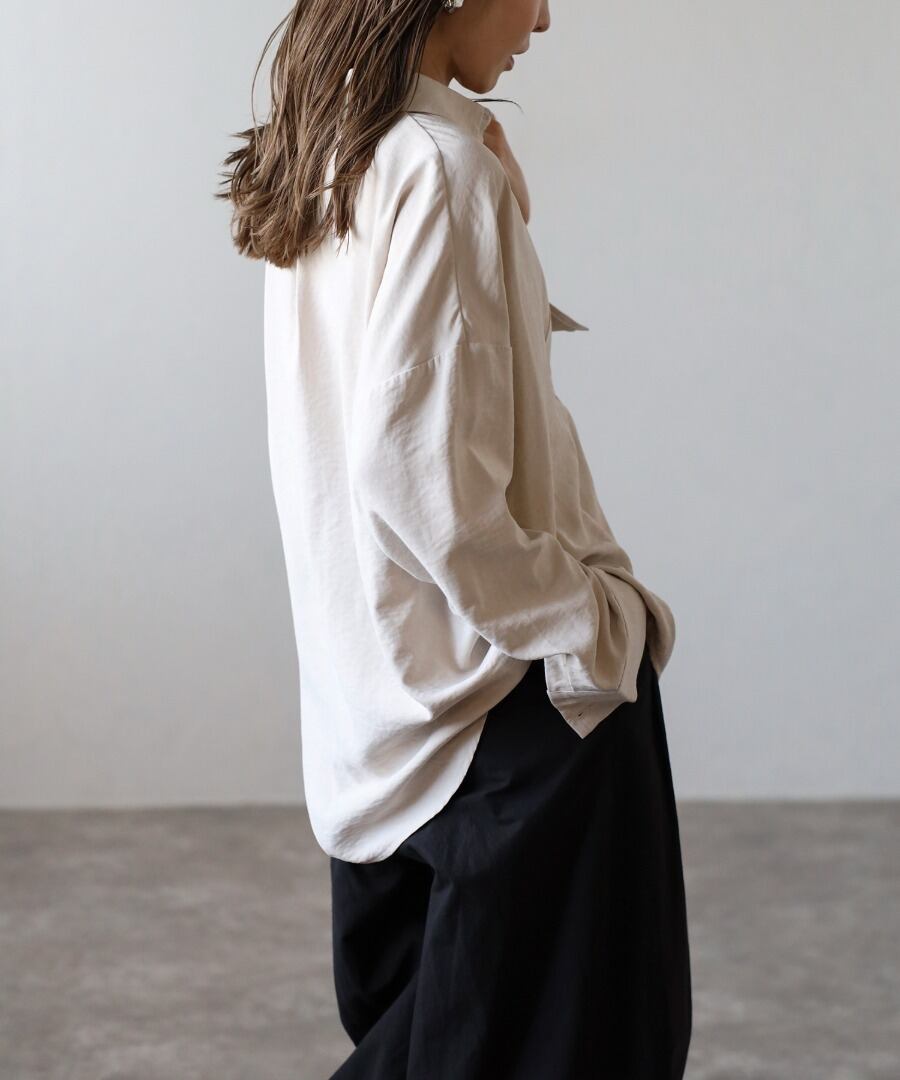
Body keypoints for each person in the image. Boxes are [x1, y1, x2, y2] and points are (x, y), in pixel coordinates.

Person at [217, 1, 692, 1076]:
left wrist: (504, 216)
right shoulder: (437, 169)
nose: (546, 18)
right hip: (503, 698)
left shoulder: (332, 155)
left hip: (380, 694)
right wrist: (588, 627)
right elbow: (414, 470)